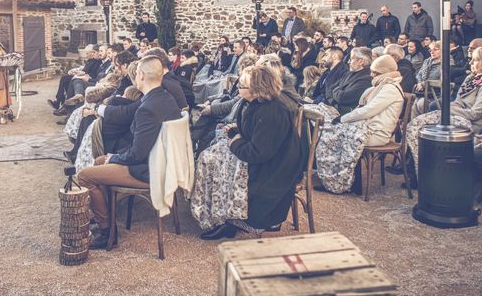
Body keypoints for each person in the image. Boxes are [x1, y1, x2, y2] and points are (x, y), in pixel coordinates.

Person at [78, 55, 182, 249]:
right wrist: (110, 158)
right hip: (162, 164)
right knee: (99, 161)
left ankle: (107, 231)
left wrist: (114, 157)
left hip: (149, 170)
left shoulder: (148, 107)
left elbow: (136, 154)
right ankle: (105, 217)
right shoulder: (164, 97)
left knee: (84, 177)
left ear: (141, 76)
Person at [191, 65, 305, 239]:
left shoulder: (271, 112)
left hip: (273, 169)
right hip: (261, 158)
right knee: (209, 157)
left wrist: (235, 140)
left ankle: (228, 220)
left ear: (258, 89)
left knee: (217, 164)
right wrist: (235, 132)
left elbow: (257, 153)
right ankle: (220, 216)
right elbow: (251, 133)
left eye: (242, 86)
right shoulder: (251, 102)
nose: (238, 88)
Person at [315, 55, 404, 194]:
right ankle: (337, 178)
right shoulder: (381, 86)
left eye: (374, 72)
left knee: (333, 136)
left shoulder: (390, 88)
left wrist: (344, 119)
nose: (371, 75)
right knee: (330, 131)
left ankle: (340, 182)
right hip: (367, 127)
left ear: (384, 73)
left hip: (376, 133)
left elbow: (369, 110)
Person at [406, 46, 482, 180]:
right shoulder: (471, 79)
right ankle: (414, 171)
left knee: (421, 127)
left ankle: (419, 174)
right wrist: (448, 108)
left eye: (475, 60)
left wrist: (447, 109)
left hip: (470, 124)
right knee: (417, 126)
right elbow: (458, 101)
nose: (470, 63)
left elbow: (475, 114)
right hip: (457, 116)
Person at [328, 46, 373, 114]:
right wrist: (335, 100)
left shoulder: (366, 79)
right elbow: (330, 88)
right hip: (333, 108)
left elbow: (343, 98)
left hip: (344, 115)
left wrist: (336, 90)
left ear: (360, 61)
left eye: (351, 59)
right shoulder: (348, 73)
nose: (348, 62)